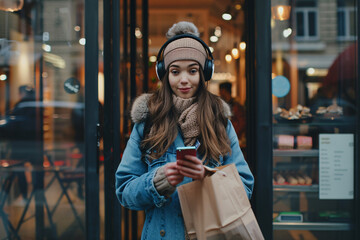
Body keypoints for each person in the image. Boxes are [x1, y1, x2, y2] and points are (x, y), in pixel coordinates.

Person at [115, 21, 254, 239]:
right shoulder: (148, 123)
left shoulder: (219, 122)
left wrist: (208, 177)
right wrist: (158, 181)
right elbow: (124, 191)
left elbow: (245, 188)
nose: (184, 80)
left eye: (192, 70)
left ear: (204, 73)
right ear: (164, 74)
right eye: (175, 71)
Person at [219, 82, 246, 146]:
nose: (219, 93)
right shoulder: (221, 105)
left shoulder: (236, 107)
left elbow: (242, 123)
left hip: (232, 140)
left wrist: (233, 135)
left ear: (225, 91)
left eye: (221, 91)